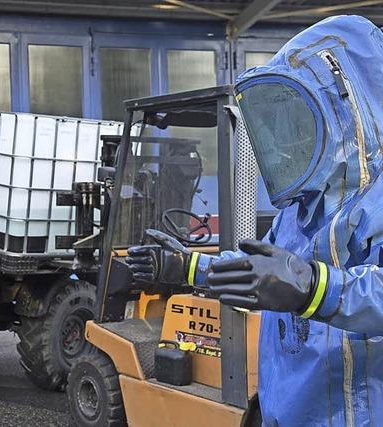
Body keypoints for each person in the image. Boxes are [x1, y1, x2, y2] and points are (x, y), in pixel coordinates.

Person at [126, 15, 383, 426]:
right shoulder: (298, 212)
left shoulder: (375, 203)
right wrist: (184, 265)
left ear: (347, 106)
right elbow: (256, 270)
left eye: (298, 121)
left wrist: (313, 286)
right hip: (288, 407)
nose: (287, 141)